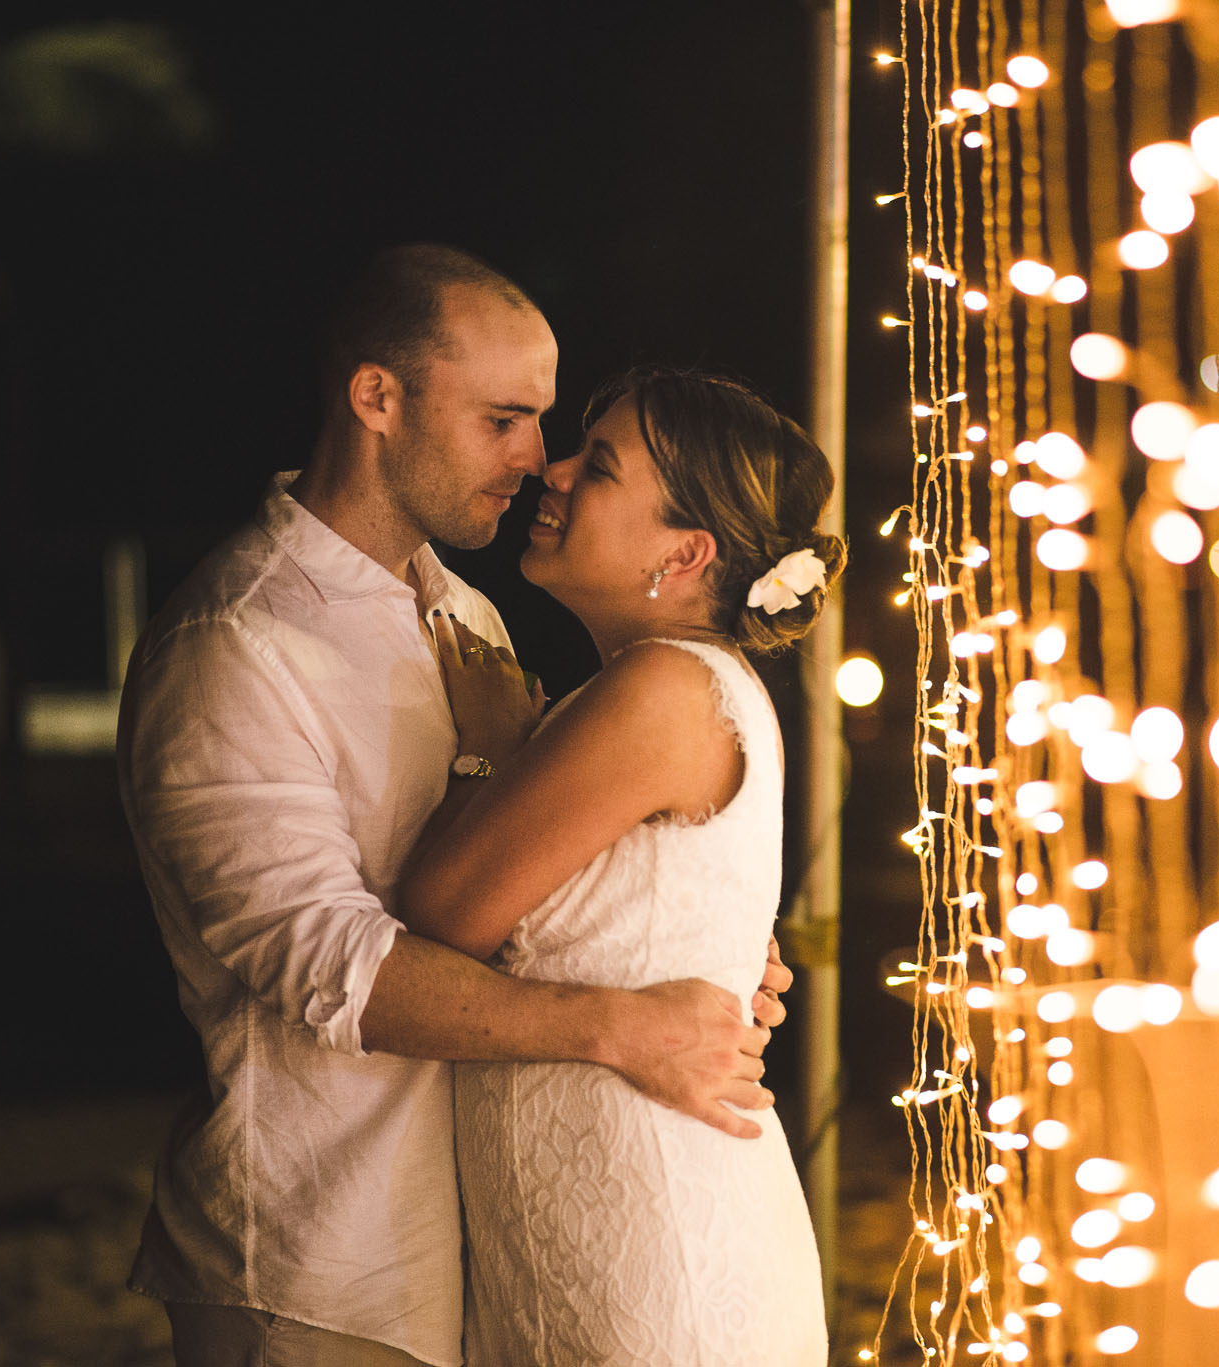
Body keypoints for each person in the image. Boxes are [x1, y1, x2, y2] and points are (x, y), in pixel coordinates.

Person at [117, 245, 791, 1367]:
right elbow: (318, 956)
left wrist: (696, 946)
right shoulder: (236, 641)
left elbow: (547, 868)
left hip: (500, 1246)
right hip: (318, 1253)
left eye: (549, 424)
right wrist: (620, 1019)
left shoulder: (465, 613)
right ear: (377, 398)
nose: (537, 460)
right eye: (505, 418)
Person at [394, 365, 843, 1364]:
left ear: (685, 550)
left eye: (597, 465)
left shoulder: (665, 689)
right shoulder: (678, 687)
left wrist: (482, 749)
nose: (550, 470)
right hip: (603, 1212)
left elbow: (443, 908)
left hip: (648, 1236)